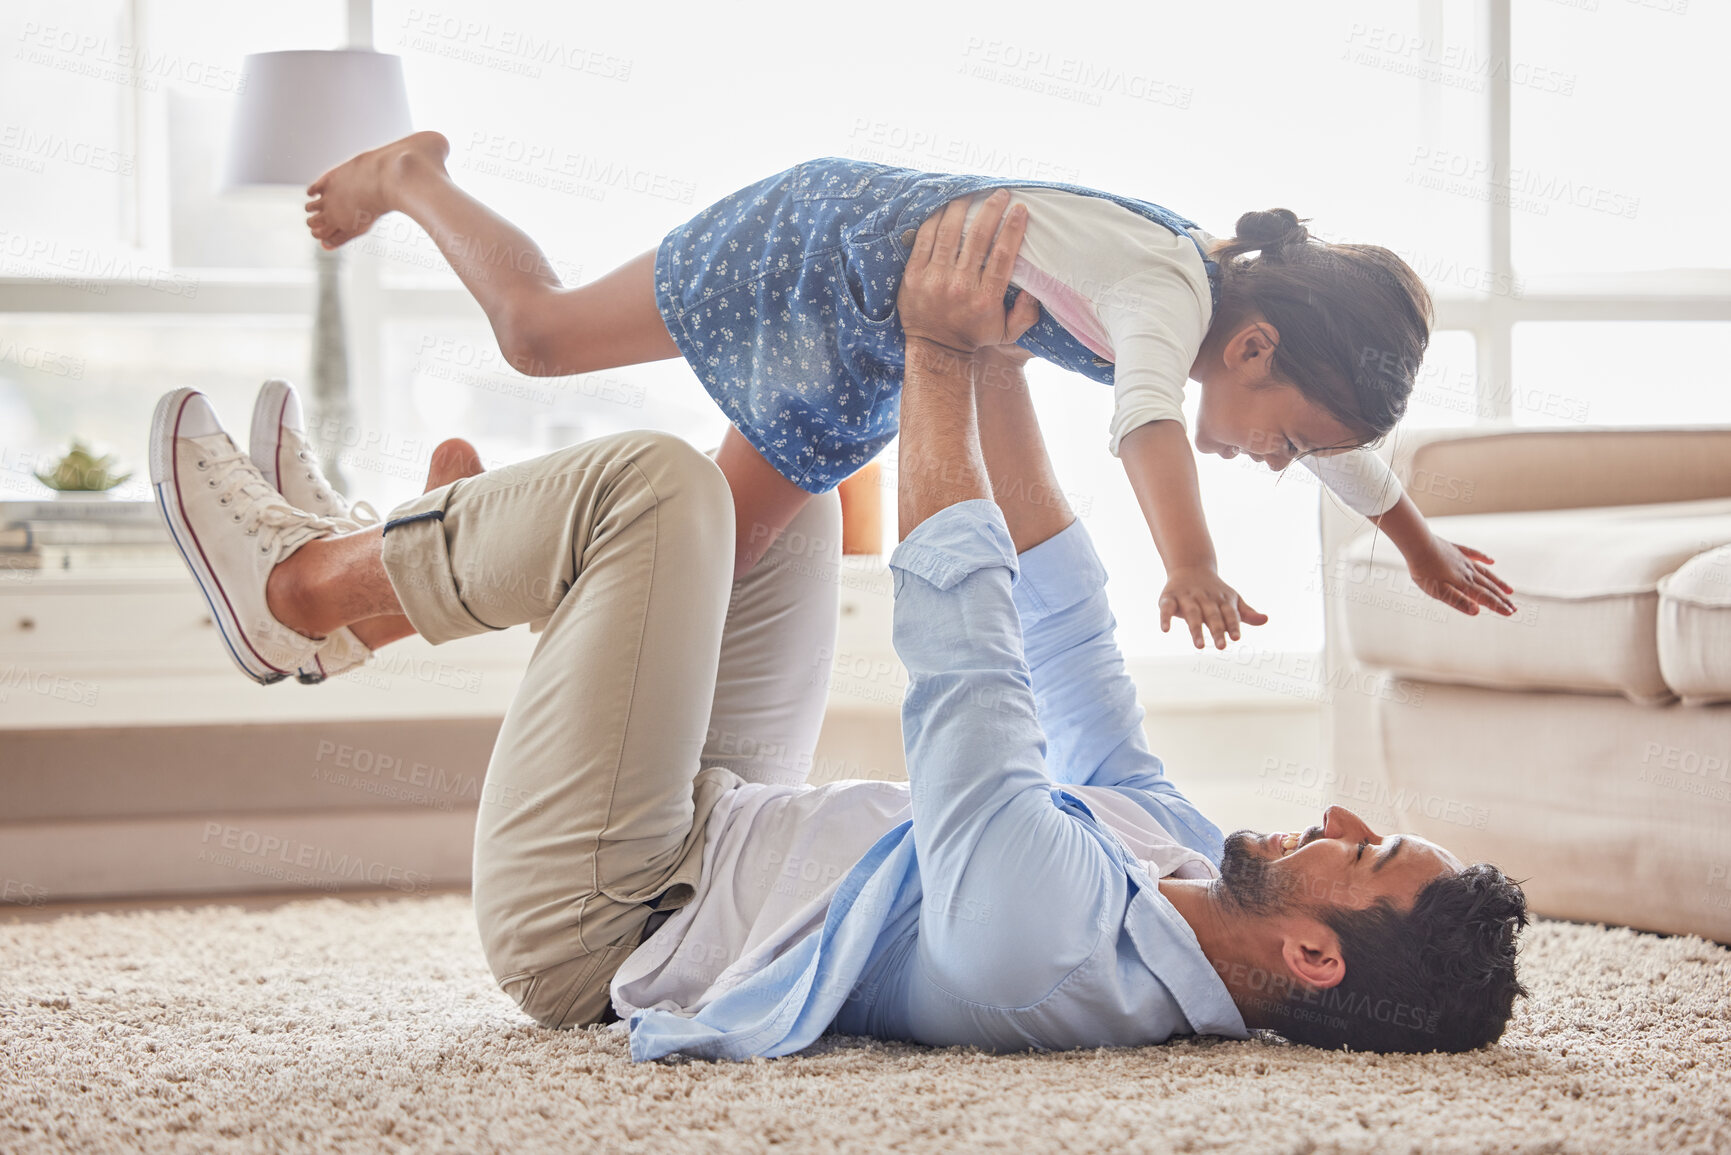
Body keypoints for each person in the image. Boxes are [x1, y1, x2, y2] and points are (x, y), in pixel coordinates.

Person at [149, 195, 1527, 1060]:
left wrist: (930, 354)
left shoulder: (1050, 949)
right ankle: (421, 565)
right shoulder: (1178, 857)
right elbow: (1063, 631)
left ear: (1310, 956)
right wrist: (995, 355)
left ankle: (308, 594)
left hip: (606, 912)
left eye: (1369, 849)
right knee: (789, 478)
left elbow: (965, 662)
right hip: (726, 811)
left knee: (653, 488)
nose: (1341, 810)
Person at [302, 134, 1515, 650]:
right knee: (541, 339)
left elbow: (1346, 449)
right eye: (1285, 440)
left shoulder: (1219, 316)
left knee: (702, 568)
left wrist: (1413, 543)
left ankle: (460, 532)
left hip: (877, 341)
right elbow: (1145, 426)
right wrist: (1187, 563)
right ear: (1256, 351)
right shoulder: (1172, 301)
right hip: (817, 244)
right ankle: (414, 176)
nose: (1274, 459)